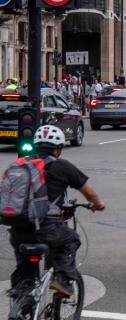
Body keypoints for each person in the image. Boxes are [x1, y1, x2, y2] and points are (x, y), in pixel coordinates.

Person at [8, 125, 106, 296]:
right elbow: (89, 193)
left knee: (24, 274)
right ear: (58, 149)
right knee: (71, 240)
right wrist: (98, 205)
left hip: (18, 229)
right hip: (47, 228)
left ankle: (20, 307)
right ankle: (62, 279)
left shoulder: (19, 165)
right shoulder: (62, 166)